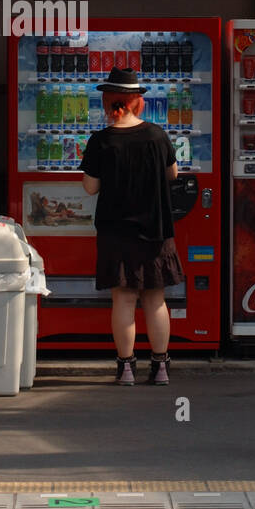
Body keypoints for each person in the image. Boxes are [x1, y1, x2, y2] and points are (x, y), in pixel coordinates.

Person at [80, 67, 182, 386]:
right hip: (156, 229)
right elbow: (173, 174)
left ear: (109, 103)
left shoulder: (101, 141)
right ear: (137, 102)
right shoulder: (156, 135)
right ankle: (161, 367)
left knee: (123, 300)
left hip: (116, 231)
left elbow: (90, 188)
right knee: (155, 299)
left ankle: (126, 368)